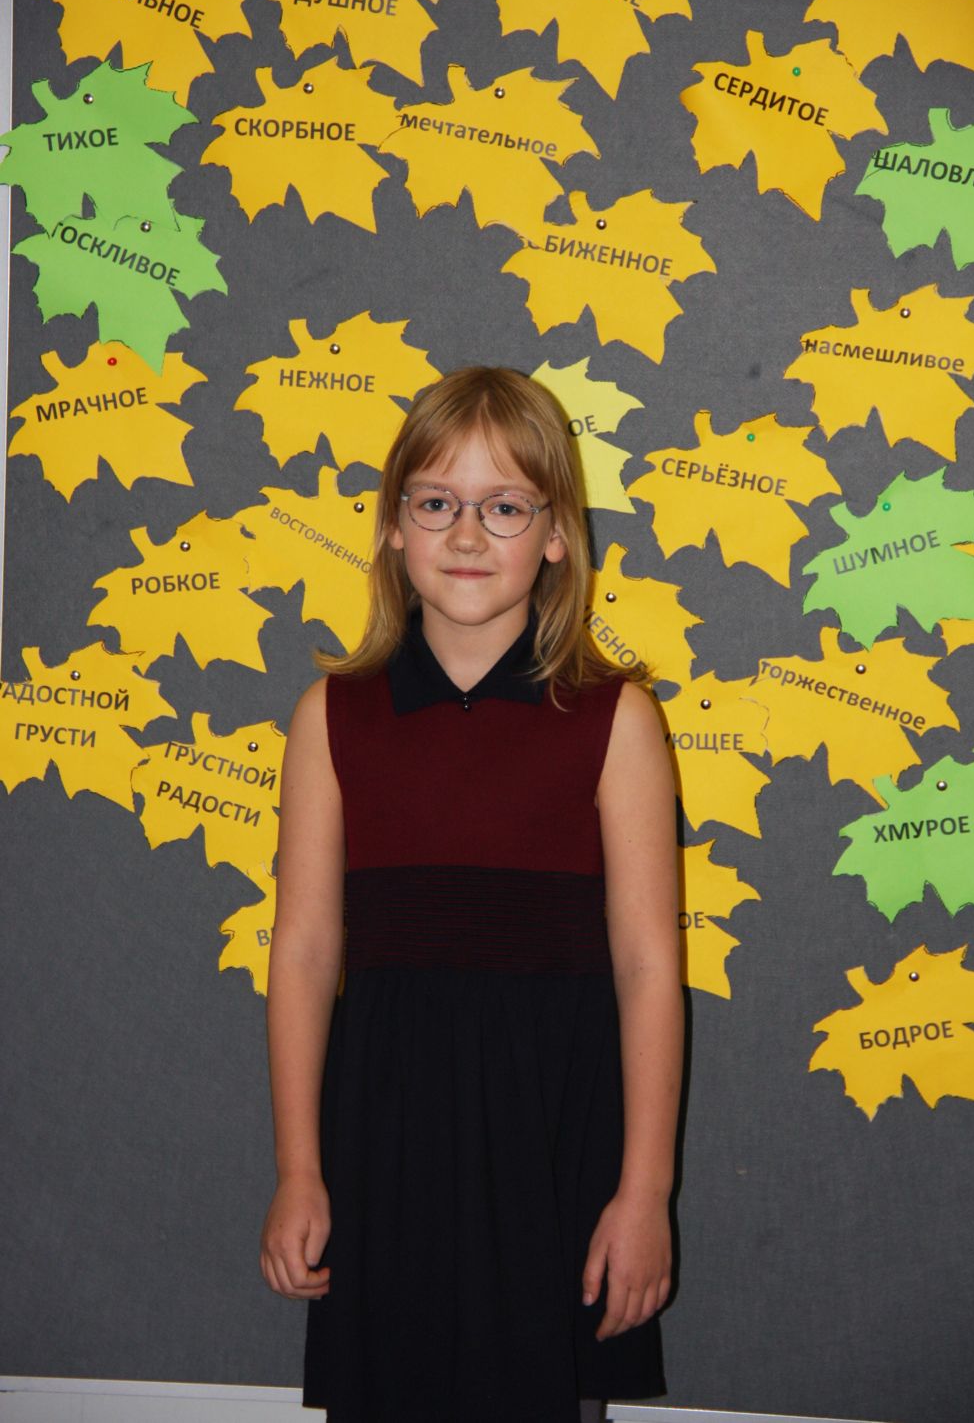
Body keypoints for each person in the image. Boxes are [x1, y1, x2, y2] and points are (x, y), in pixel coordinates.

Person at [260, 367, 683, 1423]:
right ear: (393, 526)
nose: (465, 533)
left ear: (557, 535)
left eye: (504, 507)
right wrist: (299, 1170)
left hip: (554, 1145)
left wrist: (644, 1194)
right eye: (436, 501)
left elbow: (647, 970)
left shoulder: (615, 720)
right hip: (385, 1143)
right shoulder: (331, 717)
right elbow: (304, 952)